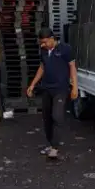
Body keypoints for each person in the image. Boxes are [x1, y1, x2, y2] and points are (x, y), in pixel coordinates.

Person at [26, 28, 78, 160]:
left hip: (60, 89)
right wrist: (32, 84)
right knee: (47, 118)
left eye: (44, 42)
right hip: (46, 89)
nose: (42, 45)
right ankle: (50, 144)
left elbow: (72, 67)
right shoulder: (43, 51)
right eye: (41, 43)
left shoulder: (65, 49)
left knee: (57, 116)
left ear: (52, 39)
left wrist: (75, 87)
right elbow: (42, 67)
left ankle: (55, 147)